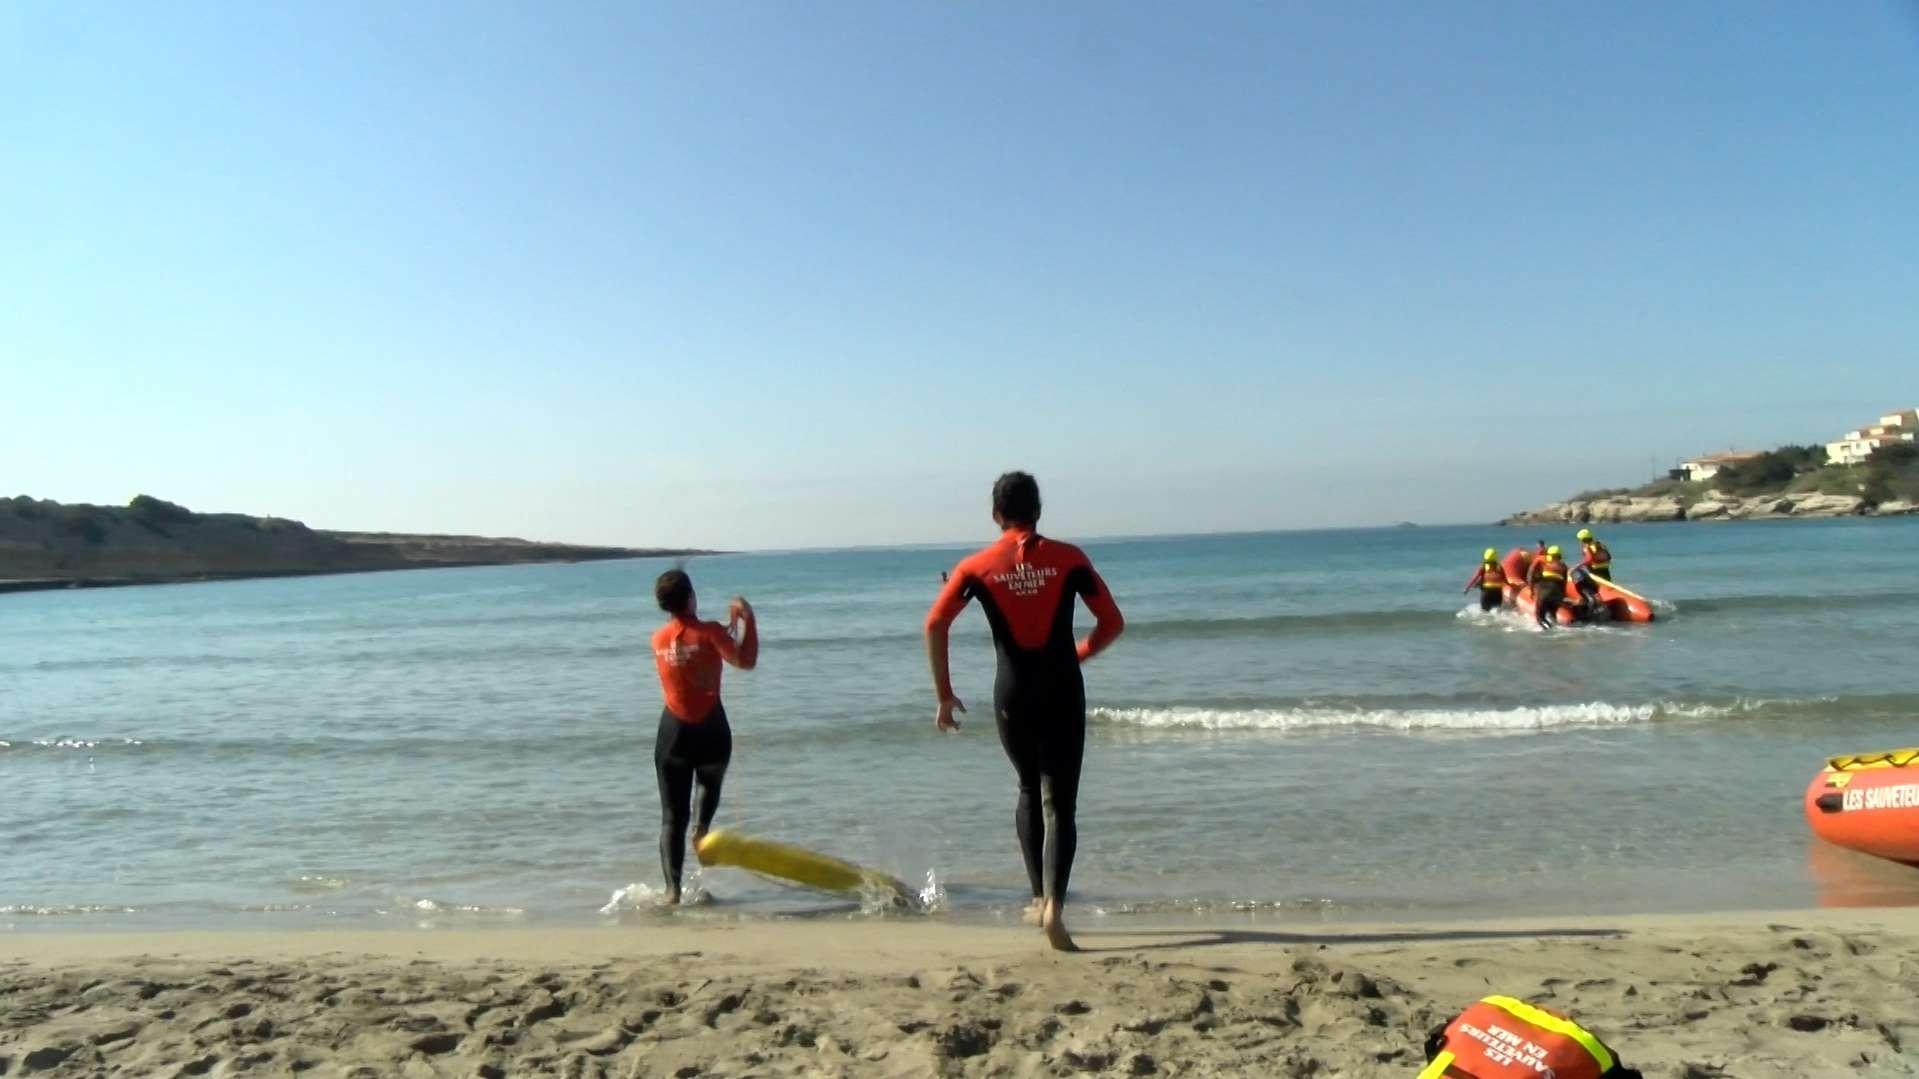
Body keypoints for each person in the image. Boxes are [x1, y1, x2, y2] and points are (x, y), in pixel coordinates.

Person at [924, 472, 1125, 952]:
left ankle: (1038, 898)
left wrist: (945, 695)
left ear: (996, 514)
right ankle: (1056, 906)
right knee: (1062, 803)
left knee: (1029, 789)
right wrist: (1075, 655)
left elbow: (935, 623)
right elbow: (1112, 623)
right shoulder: (1069, 558)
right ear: (1038, 511)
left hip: (1012, 694)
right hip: (1062, 688)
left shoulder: (975, 567)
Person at [649, 569, 758, 904]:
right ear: (691, 597)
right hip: (712, 730)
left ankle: (672, 891)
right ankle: (701, 829)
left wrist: (724, 629)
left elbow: (688, 642)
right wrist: (748, 619)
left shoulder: (658, 639)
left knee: (671, 818)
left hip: (673, 734)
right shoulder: (711, 632)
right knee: (708, 784)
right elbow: (746, 660)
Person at [1527, 545, 1569, 628]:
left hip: (1545, 591)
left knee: (1540, 618)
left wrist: (1531, 589)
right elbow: (1564, 583)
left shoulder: (1541, 560)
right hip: (1557, 594)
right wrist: (1562, 597)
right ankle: (1555, 629)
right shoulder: (1563, 566)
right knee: (1553, 615)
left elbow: (1530, 575)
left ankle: (1546, 629)